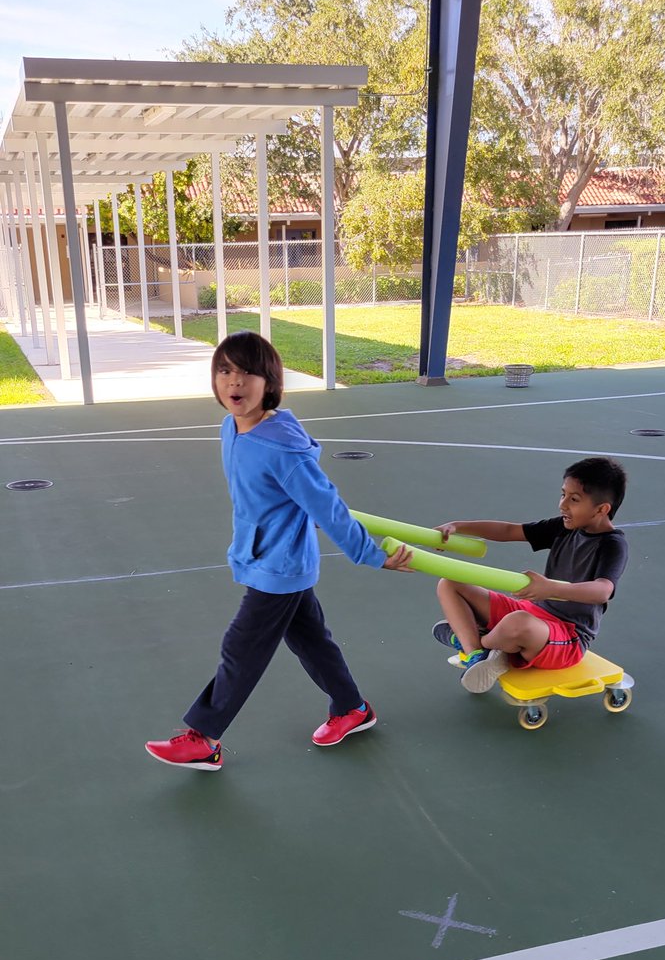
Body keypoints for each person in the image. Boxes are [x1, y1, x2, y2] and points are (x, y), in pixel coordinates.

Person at [146, 330, 410, 771]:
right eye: (225, 370)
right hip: (264, 556)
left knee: (242, 645)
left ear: (269, 382)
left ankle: (204, 738)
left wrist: (371, 553)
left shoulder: (283, 450)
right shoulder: (231, 427)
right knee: (310, 639)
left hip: (281, 566)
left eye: (248, 372)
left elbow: (328, 506)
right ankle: (352, 708)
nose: (235, 382)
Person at [432, 457, 629, 694]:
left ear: (601, 509)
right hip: (533, 614)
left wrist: (551, 589)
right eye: (563, 494)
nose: (563, 505)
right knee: (450, 583)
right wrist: (457, 526)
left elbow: (603, 590)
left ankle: (473, 640)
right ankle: (478, 653)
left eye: (574, 499)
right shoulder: (562, 527)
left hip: (568, 636)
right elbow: (509, 530)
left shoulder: (613, 544)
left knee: (517, 623)